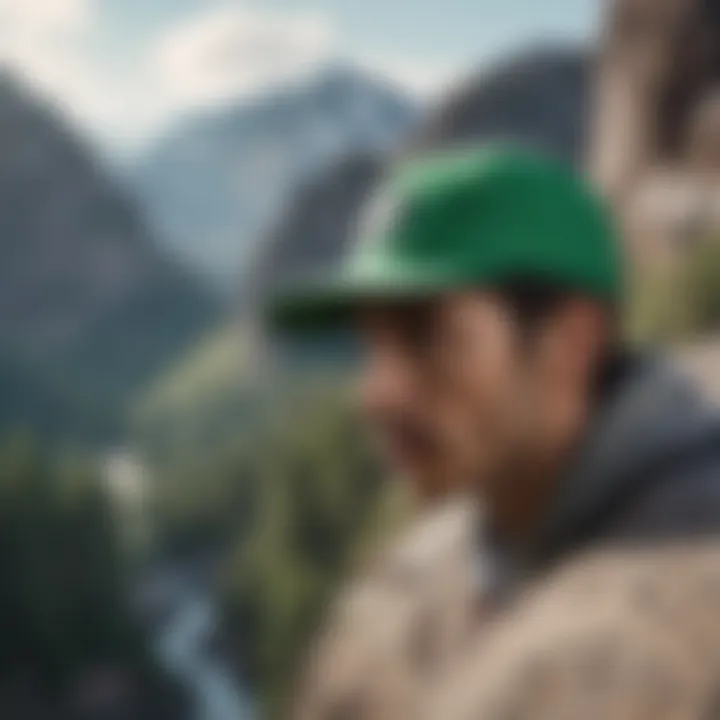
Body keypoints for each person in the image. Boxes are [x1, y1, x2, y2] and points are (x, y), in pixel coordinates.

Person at [269, 145, 720, 720]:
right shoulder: (491, 531)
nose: (376, 395)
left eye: (428, 336)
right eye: (371, 345)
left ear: (571, 344)